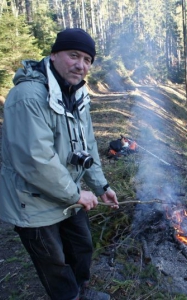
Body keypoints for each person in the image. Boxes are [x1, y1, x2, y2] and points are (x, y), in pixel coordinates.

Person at [0, 28, 119, 300]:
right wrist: (77, 194)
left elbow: (86, 145)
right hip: (32, 201)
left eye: (88, 59)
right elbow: (35, 160)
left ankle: (81, 290)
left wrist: (101, 186)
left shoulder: (76, 94)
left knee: (82, 248)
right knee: (53, 263)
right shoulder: (28, 96)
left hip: (67, 193)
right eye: (73, 55)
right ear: (54, 55)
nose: (81, 65)